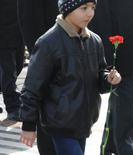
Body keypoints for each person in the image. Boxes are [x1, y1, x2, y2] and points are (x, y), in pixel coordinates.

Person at [19, 0, 121, 154]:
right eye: (83, 8)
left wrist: (108, 80)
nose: (90, 13)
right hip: (60, 123)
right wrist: (28, 124)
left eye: (93, 8)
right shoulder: (48, 42)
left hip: (83, 122)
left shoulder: (94, 41)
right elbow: (33, 87)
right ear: (67, 9)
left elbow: (99, 75)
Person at [88, 0, 133, 154]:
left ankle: (110, 144)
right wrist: (105, 54)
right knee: (124, 101)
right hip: (120, 50)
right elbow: (101, 17)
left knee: (125, 101)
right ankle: (124, 146)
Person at [17, 0, 59, 154]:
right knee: (47, 105)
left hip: (71, 52)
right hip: (49, 55)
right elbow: (29, 21)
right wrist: (42, 55)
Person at [0, 0, 24, 121]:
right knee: (8, 72)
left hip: (18, 33)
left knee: (17, 67)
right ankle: (13, 107)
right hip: (3, 34)